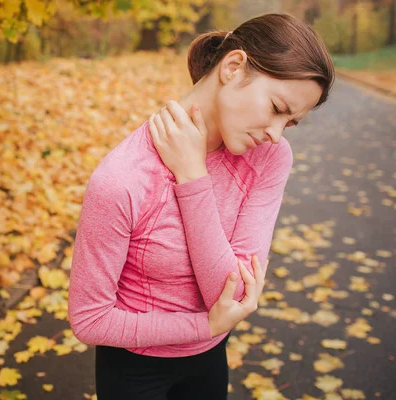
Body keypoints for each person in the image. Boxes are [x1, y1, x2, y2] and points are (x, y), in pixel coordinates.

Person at [68, 12, 335, 400]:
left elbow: (234, 292)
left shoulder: (269, 159)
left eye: (290, 122)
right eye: (278, 108)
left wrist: (193, 178)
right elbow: (90, 320)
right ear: (233, 66)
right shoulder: (123, 180)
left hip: (210, 361)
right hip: (133, 370)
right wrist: (205, 326)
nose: (276, 135)